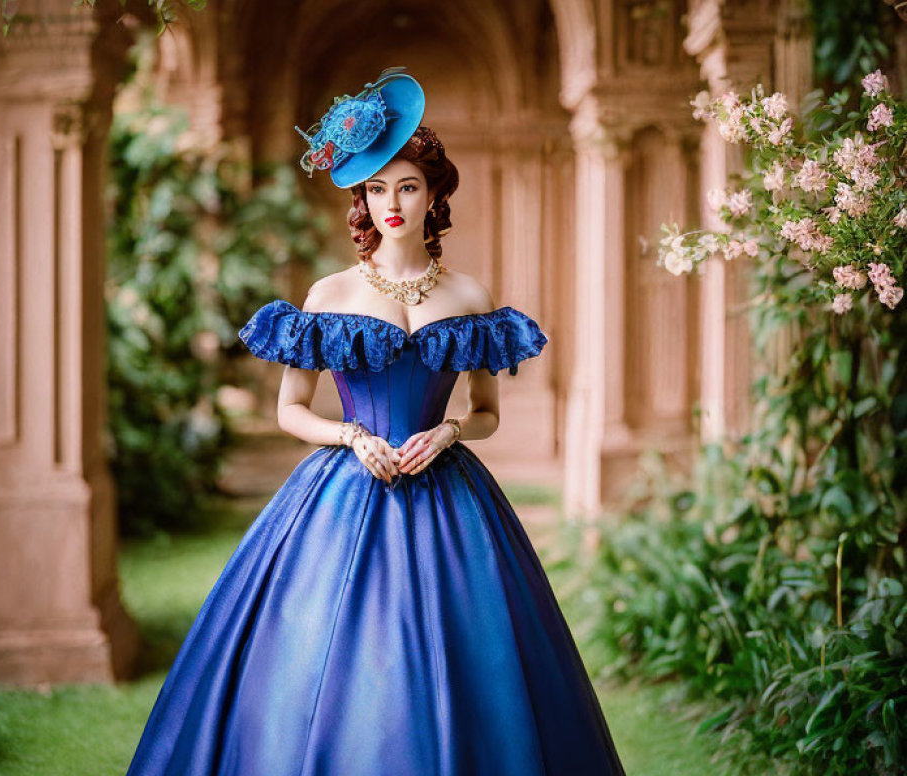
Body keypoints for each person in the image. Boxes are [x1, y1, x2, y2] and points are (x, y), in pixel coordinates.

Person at [125, 67, 626, 776]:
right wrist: (353, 436)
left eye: (408, 187)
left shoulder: (469, 294)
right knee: (324, 656)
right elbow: (289, 410)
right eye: (378, 188)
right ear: (361, 197)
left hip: (449, 490)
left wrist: (448, 432)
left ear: (435, 194)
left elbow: (485, 412)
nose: (392, 203)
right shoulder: (328, 293)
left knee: (476, 658)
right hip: (344, 489)